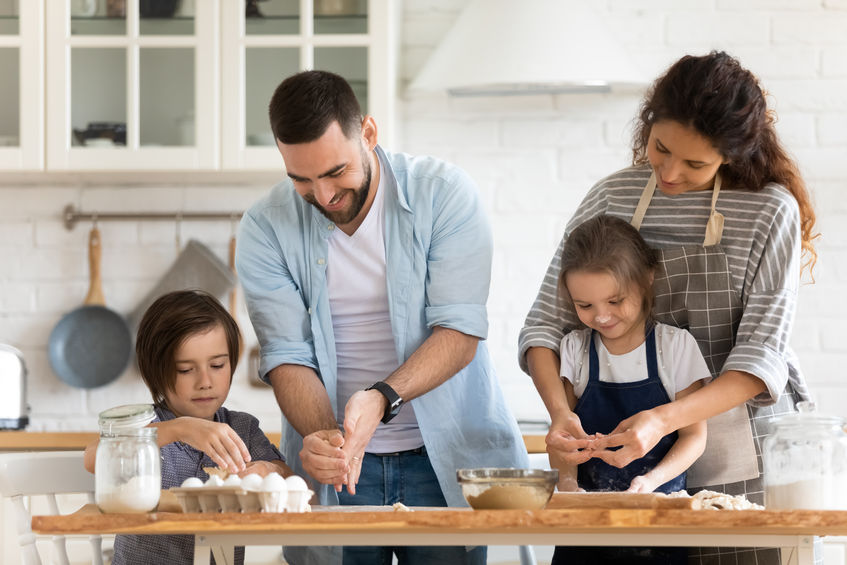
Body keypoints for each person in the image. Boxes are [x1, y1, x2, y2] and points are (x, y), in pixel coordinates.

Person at [519, 51, 819, 564]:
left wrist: (663, 421)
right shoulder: (614, 195)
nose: (671, 173)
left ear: (732, 154)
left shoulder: (769, 210)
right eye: (661, 149)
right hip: (616, 477)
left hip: (737, 466)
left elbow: (758, 361)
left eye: (695, 163)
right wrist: (560, 413)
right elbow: (545, 326)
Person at [236, 70, 528, 565]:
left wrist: (381, 397)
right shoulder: (265, 228)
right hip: (341, 471)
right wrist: (325, 439)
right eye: (301, 180)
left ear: (368, 133)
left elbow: (458, 334)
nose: (323, 196)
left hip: (446, 463)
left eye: (335, 172)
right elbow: (287, 357)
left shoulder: (444, 196)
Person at [84, 290, 294, 565]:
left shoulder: (241, 428)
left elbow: (295, 484)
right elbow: (93, 457)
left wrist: (267, 471)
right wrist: (179, 429)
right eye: (185, 369)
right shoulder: (149, 427)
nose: (205, 381)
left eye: (218, 365)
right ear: (155, 370)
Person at [550, 214, 709, 564]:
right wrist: (567, 483)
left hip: (659, 521)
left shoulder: (676, 347)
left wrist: (649, 482)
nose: (601, 316)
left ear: (646, 281)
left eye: (615, 301)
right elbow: (563, 437)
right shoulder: (575, 349)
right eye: (585, 306)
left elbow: (695, 437)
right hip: (584, 531)